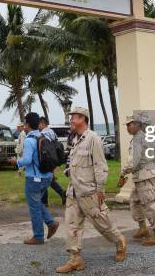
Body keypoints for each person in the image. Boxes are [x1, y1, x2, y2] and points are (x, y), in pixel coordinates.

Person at [56, 107, 127, 273]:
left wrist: (100, 189)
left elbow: (100, 165)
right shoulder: (76, 139)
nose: (71, 120)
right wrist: (68, 171)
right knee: (72, 225)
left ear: (82, 118)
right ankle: (75, 259)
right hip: (74, 191)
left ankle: (120, 242)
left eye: (73, 117)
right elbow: (76, 162)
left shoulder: (93, 138)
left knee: (103, 223)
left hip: (89, 192)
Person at [10, 112, 59, 245]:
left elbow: (26, 160)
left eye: (24, 124)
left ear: (27, 125)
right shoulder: (44, 136)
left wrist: (16, 162)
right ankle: (51, 223)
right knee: (37, 203)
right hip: (47, 177)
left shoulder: (29, 140)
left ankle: (38, 236)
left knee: (34, 206)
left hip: (34, 178)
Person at [118, 112, 155, 246]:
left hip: (144, 176)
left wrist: (122, 174)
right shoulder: (147, 137)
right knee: (135, 201)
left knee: (149, 204)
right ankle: (143, 228)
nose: (127, 128)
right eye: (126, 125)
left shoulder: (139, 139)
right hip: (147, 174)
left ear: (137, 125)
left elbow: (133, 161)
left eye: (129, 125)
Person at [39, 116, 67, 206]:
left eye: (39, 124)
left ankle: (44, 202)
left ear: (43, 124)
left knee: (43, 180)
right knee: (49, 179)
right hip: (54, 159)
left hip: (46, 159)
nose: (38, 126)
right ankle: (62, 193)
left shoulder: (44, 134)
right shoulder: (52, 132)